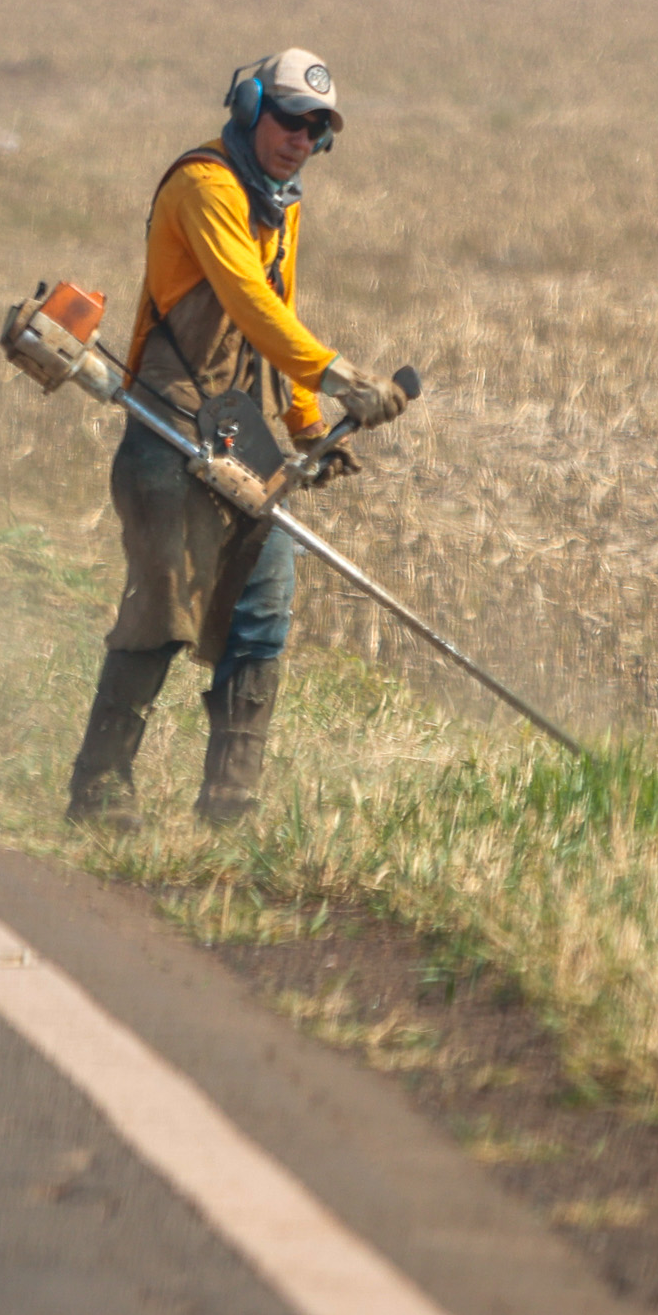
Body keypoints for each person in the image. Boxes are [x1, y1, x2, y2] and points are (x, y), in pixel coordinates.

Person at [65, 49, 411, 828]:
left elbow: (278, 308)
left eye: (318, 129)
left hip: (236, 425)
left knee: (263, 606)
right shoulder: (204, 185)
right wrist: (338, 373)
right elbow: (246, 297)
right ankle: (100, 789)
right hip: (168, 422)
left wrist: (305, 422)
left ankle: (229, 804)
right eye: (291, 119)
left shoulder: (280, 203)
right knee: (166, 607)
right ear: (252, 106)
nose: (303, 139)